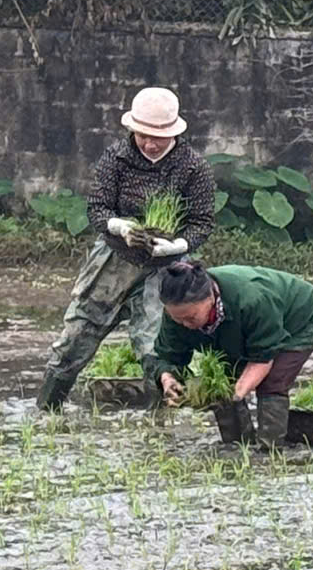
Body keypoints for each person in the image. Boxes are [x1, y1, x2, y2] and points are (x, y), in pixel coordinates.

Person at [37, 86, 218, 412]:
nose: (149, 143)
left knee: (156, 343)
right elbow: (97, 209)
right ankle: (47, 409)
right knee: (78, 333)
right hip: (114, 260)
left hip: (166, 270)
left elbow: (202, 222)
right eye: (142, 135)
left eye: (157, 137)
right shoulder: (117, 157)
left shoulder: (193, 168)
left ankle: (159, 421)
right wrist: (121, 227)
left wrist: (178, 244)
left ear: (173, 133)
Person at [151, 260, 313, 451]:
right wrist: (168, 379)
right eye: (177, 319)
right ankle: (236, 445)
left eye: (191, 318)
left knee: (272, 381)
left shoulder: (252, 300)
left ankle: (270, 450)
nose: (185, 324)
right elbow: (168, 356)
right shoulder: (177, 315)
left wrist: (236, 392)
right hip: (244, 325)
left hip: (302, 318)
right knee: (222, 380)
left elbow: (262, 358)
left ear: (211, 298)